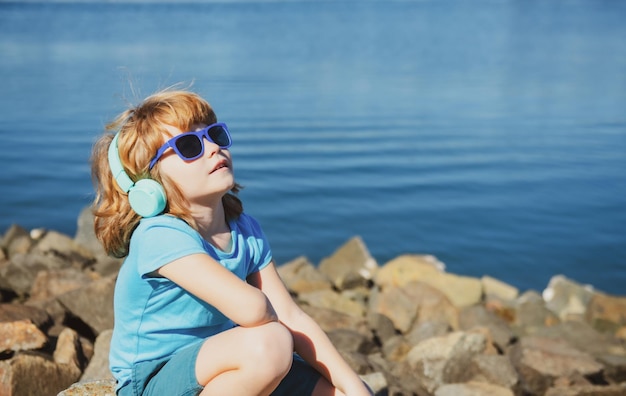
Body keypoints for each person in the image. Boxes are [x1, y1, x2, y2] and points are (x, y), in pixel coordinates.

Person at [91, 88, 374, 396]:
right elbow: (253, 310)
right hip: (155, 378)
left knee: (338, 389)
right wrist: (270, 318)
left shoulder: (244, 229)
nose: (212, 148)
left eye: (215, 134)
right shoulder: (160, 235)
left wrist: (353, 385)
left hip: (229, 363)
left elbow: (291, 316)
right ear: (150, 182)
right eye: (189, 146)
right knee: (272, 343)